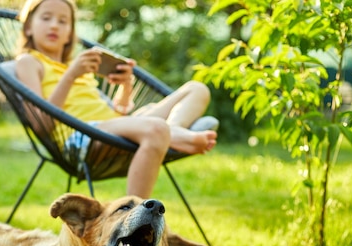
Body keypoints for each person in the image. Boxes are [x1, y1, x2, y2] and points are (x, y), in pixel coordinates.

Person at [15, 0, 218, 198]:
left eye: (62, 21)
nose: (54, 25)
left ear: (70, 33)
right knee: (156, 128)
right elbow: (41, 123)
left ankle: (173, 130)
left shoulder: (77, 66)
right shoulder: (29, 62)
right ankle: (134, 220)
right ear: (28, 27)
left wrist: (126, 86)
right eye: (46, 18)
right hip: (79, 136)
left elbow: (119, 111)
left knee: (197, 89)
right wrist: (71, 76)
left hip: (111, 127)